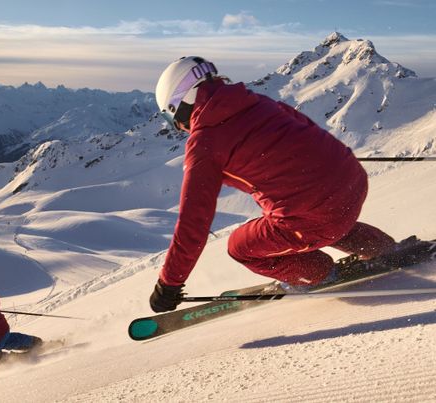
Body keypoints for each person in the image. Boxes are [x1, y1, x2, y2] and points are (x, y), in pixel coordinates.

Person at [148, 56, 397, 313]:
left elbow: (193, 222)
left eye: (172, 119)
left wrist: (169, 284)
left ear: (181, 103)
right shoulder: (256, 102)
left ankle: (321, 274)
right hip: (352, 183)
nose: (179, 128)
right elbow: (306, 129)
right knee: (321, 210)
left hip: (319, 215)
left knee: (240, 247)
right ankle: (383, 248)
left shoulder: (205, 142)